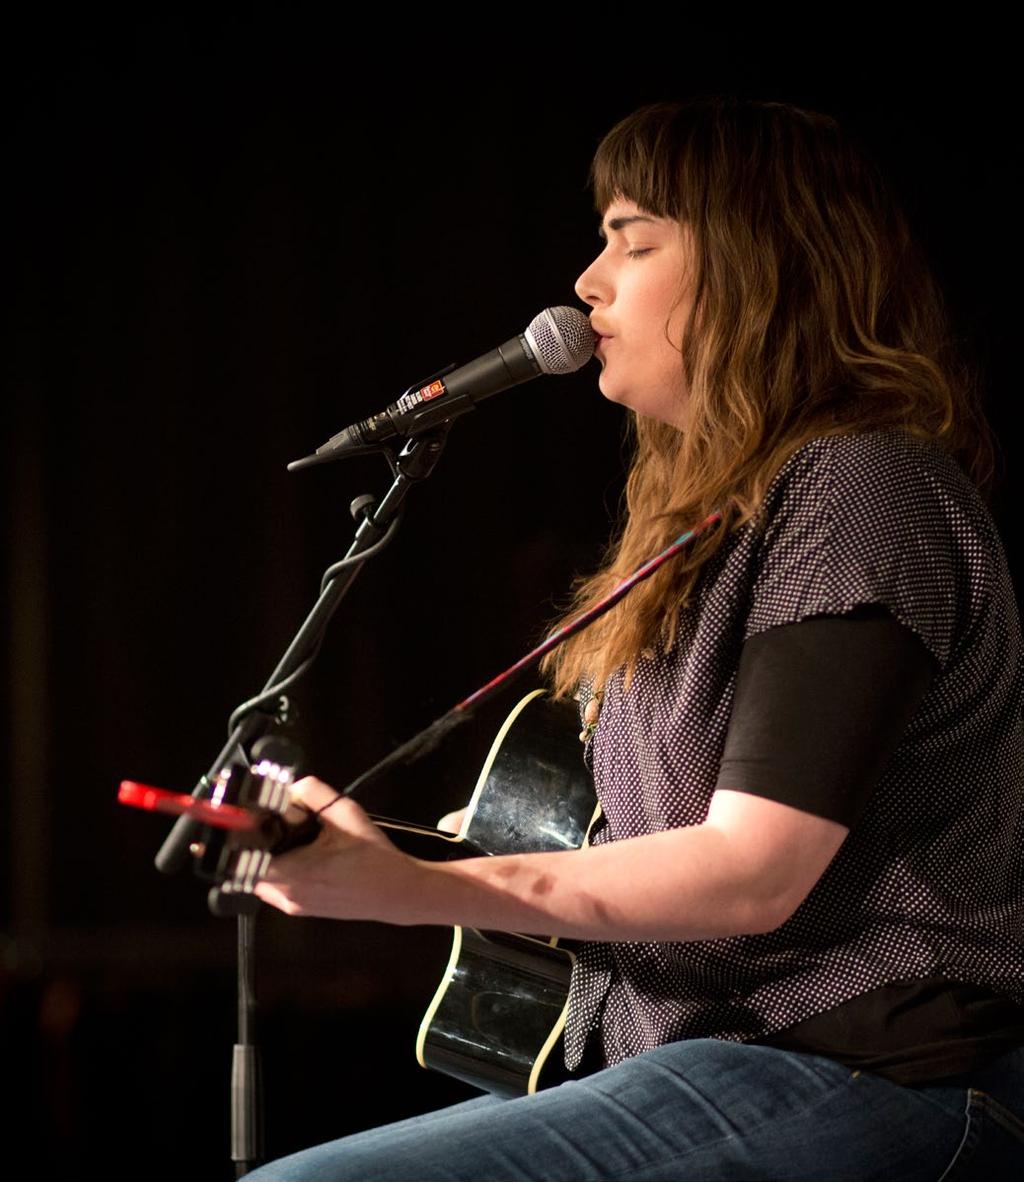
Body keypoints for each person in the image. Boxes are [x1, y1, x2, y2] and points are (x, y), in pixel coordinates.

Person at [247, 98, 1024, 1179]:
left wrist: (406, 889)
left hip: (878, 1069)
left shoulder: (859, 486)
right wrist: (397, 858)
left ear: (761, 268)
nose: (588, 282)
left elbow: (752, 871)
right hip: (724, 1063)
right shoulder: (716, 520)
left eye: (634, 240)